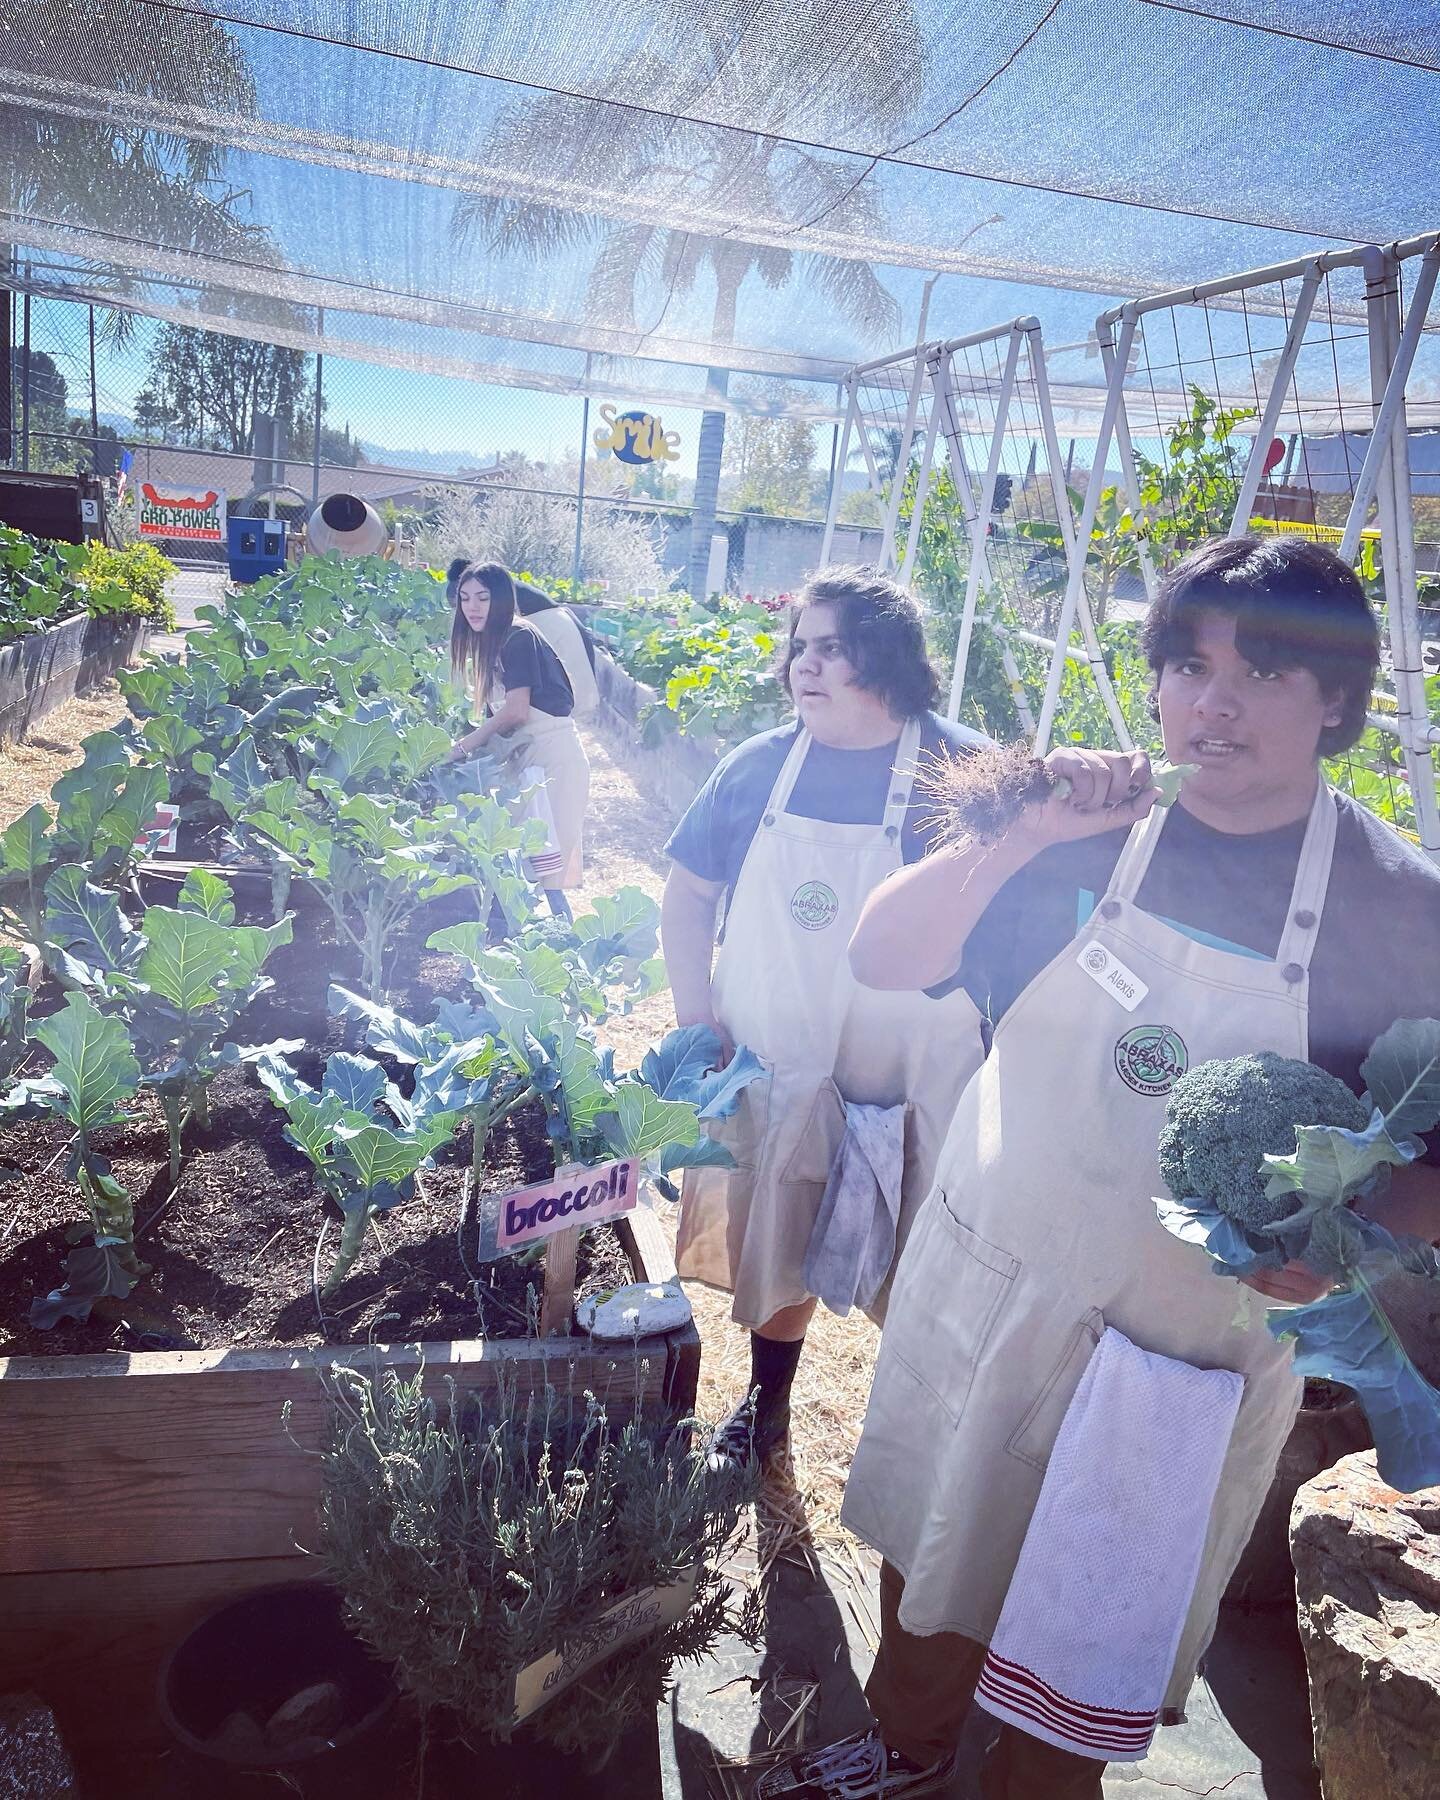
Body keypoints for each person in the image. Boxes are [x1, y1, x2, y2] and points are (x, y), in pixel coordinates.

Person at [756, 535, 1440, 1800]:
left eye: (1266, 673)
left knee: (1092, 1634)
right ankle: (904, 1750)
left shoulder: (1400, 906)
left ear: (1340, 701)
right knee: (934, 1560)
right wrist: (1012, 832)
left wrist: (1351, 1246)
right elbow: (885, 955)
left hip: (1184, 1354)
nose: (1212, 702)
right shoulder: (1089, 834)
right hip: (993, 1274)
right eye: (1187, 664)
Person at [662, 567, 991, 1465]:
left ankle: (913, 1445)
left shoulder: (961, 774)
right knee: (777, 1228)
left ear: (884, 659)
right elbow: (688, 895)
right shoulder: (757, 767)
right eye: (800, 646)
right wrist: (699, 1017)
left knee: (918, 1241)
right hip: (777, 1051)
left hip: (909, 1064)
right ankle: (767, 1409)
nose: (805, 666)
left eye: (832, 648)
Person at [443, 559, 591, 911]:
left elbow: (516, 711)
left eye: (482, 597)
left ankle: (560, 953)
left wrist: (462, 748)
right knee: (526, 872)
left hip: (555, 759)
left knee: (543, 875)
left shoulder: (518, 636)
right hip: (530, 761)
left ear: (502, 599)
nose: (472, 607)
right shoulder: (493, 643)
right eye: (465, 599)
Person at [511, 575, 601, 719]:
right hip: (552, 624)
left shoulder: (491, 586)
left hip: (552, 628)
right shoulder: (486, 584)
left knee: (569, 702)